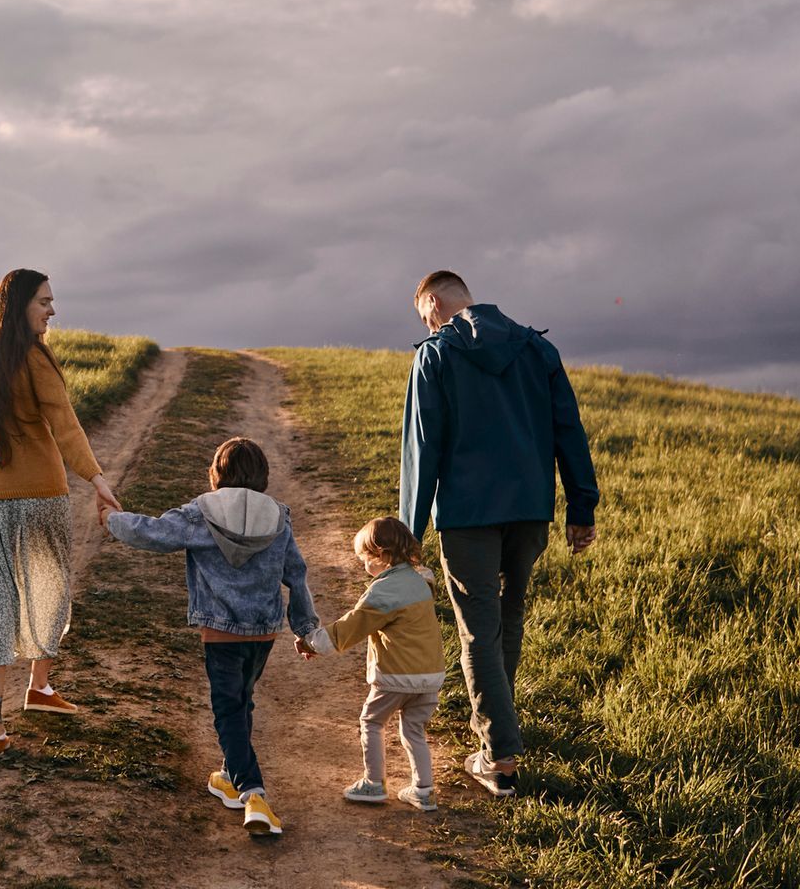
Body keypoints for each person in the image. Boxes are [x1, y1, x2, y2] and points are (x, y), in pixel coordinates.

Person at [401, 270, 599, 797]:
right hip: (530, 512)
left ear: (435, 301)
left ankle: (500, 757)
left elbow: (424, 450)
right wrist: (582, 507)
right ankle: (498, 733)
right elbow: (568, 429)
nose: (428, 324)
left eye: (426, 316)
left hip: (468, 516)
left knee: (477, 630)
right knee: (507, 619)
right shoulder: (537, 349)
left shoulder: (435, 355)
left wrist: (407, 533)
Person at [0, 268, 123, 763]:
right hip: (38, 496)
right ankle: (38, 686)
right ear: (19, 307)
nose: (52, 310)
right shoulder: (33, 357)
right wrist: (97, 480)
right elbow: (65, 424)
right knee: (48, 590)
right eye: (44, 302)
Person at [105, 436, 318, 838]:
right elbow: (297, 574)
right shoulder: (278, 516)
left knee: (228, 709)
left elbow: (154, 533)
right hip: (263, 631)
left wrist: (113, 520)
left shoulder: (202, 512)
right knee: (242, 700)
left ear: (216, 474)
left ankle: (254, 793)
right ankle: (228, 774)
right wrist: (305, 628)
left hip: (220, 631)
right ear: (263, 476)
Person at [296, 516, 446, 811]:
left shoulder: (384, 592)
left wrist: (312, 641)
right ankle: (424, 790)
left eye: (365, 557)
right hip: (431, 673)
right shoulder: (420, 582)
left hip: (398, 675)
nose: (364, 565)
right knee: (414, 729)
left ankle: (374, 784)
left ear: (382, 555)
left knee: (372, 721)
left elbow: (351, 627)